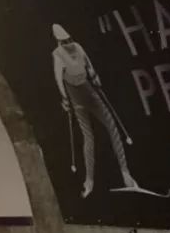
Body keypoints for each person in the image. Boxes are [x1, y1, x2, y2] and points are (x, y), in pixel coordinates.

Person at [52, 23, 137, 198]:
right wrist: (64, 97)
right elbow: (58, 78)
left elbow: (88, 64)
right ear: (59, 42)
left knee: (112, 125)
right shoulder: (57, 54)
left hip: (89, 90)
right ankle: (89, 180)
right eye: (64, 41)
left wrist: (94, 75)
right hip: (76, 97)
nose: (68, 43)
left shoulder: (78, 47)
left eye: (69, 40)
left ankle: (125, 172)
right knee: (88, 136)